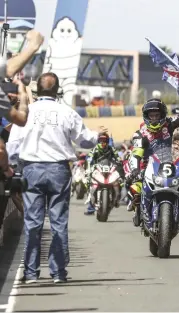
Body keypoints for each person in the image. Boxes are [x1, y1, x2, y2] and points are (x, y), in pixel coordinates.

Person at [18, 72, 106, 284]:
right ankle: (58, 273)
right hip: (58, 169)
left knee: (33, 223)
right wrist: (99, 134)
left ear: (37, 90)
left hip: (31, 168)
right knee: (58, 222)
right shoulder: (67, 112)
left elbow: (14, 145)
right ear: (58, 90)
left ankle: (31, 273)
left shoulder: (26, 112)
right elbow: (85, 140)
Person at [128, 83, 179, 231]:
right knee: (134, 188)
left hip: (167, 167)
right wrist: (134, 170)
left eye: (157, 115)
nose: (154, 118)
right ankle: (139, 211)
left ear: (162, 115)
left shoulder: (168, 125)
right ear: (146, 117)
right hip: (147, 170)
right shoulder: (140, 134)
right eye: (151, 116)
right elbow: (136, 153)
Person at [85, 133, 123, 215]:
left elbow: (118, 158)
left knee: (120, 181)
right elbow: (89, 158)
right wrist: (89, 166)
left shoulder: (111, 149)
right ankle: (90, 206)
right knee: (89, 182)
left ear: (107, 141)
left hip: (109, 169)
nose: (102, 143)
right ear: (98, 141)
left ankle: (117, 198)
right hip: (97, 169)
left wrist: (119, 161)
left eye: (104, 141)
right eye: (101, 141)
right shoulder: (95, 149)